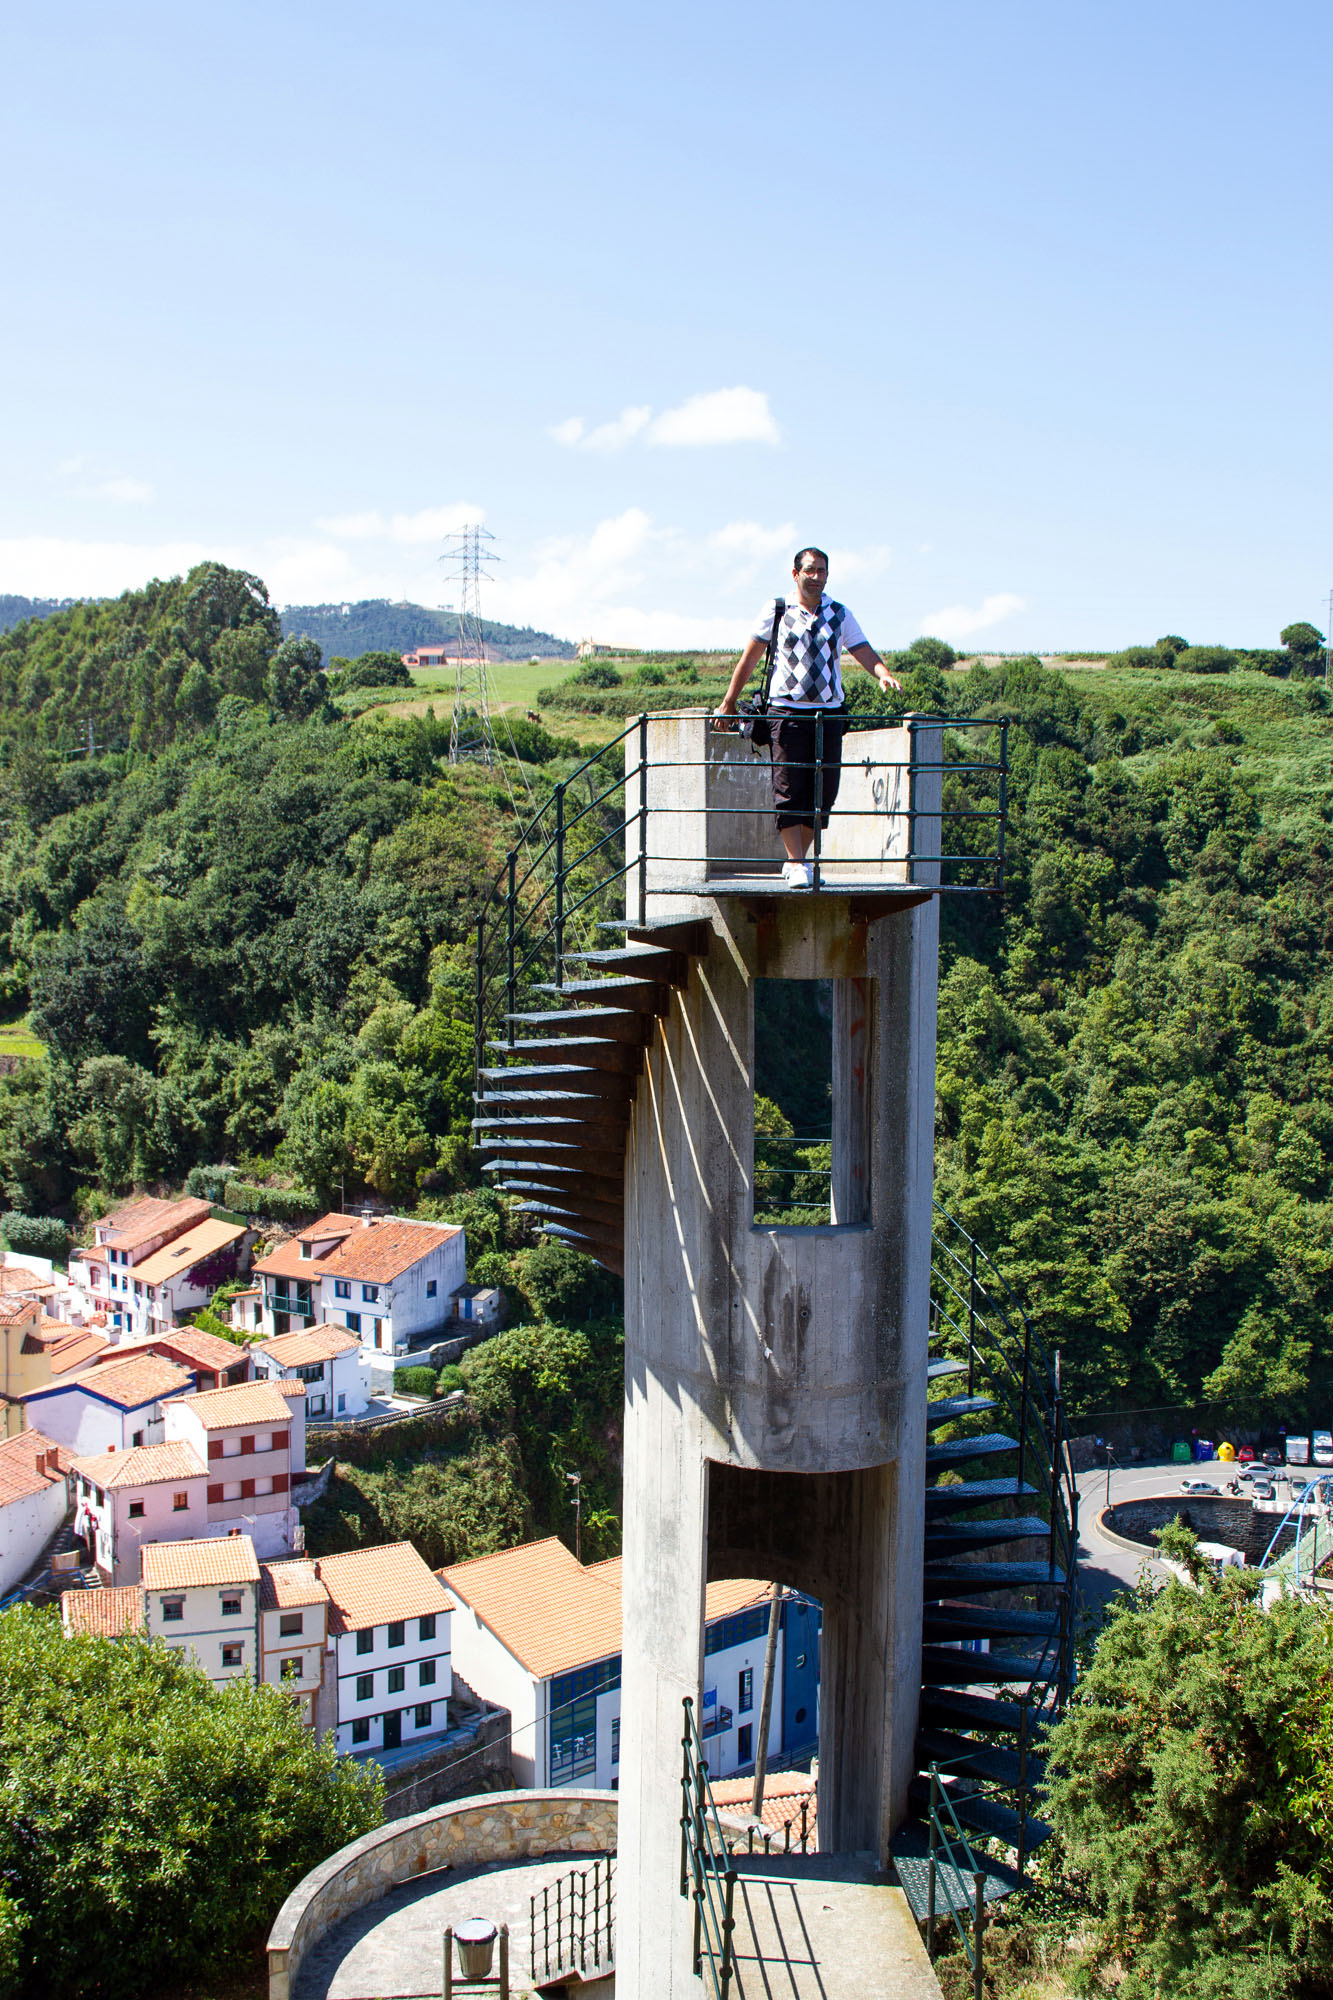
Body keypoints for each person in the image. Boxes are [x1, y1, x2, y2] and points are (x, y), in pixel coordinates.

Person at [716, 546, 902, 886]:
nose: (816, 577)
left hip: (828, 715)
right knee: (788, 788)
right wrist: (729, 702)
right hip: (786, 711)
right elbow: (750, 658)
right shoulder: (777, 610)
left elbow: (862, 648)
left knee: (823, 793)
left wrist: (882, 673)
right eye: (810, 571)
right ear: (795, 574)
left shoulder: (839, 613)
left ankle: (796, 862)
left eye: (822, 571)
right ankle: (798, 862)